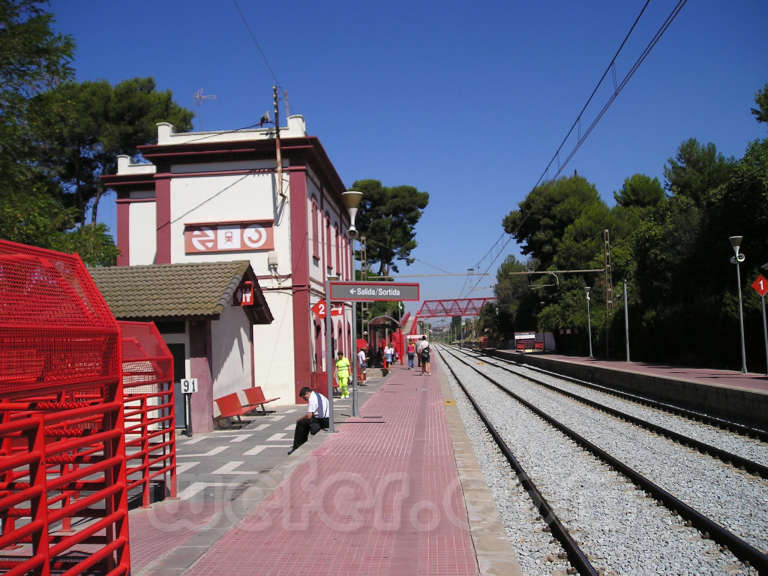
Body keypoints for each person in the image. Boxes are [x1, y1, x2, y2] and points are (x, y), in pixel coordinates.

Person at [288, 386, 329, 455]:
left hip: (323, 421)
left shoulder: (312, 399)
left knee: (301, 423)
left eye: (305, 398)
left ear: (307, 393)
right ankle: (301, 443)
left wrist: (299, 419)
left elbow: (309, 416)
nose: (305, 400)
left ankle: (296, 447)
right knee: (304, 422)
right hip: (327, 419)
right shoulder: (318, 395)